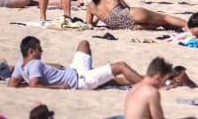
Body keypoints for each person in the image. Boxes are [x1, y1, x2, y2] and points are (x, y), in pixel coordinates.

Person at [7, 36, 142, 91]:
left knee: (84, 43)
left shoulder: (20, 64)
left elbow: (12, 84)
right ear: (31, 51)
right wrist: (58, 87)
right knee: (121, 66)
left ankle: (138, 78)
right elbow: (34, 85)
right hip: (80, 80)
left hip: (74, 70)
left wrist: (28, 82)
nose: (41, 51)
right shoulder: (35, 64)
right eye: (39, 49)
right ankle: (150, 84)